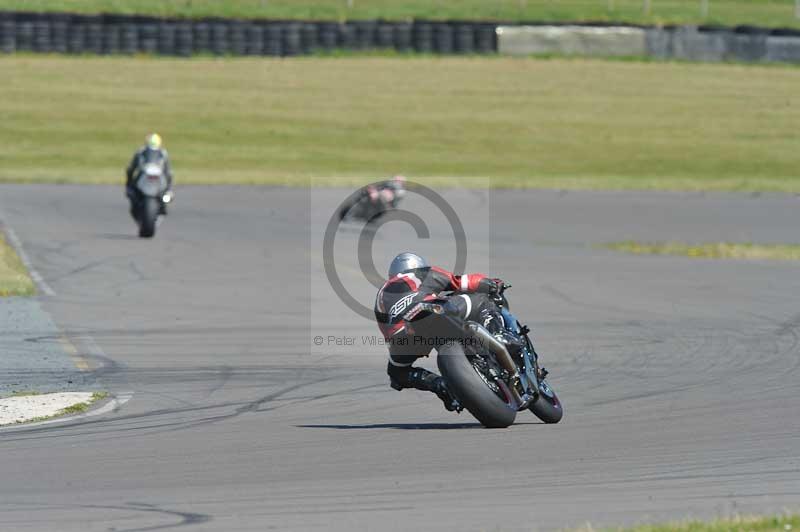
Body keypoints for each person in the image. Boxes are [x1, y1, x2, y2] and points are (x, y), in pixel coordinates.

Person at [374, 252, 517, 412]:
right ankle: (499, 334)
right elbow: (460, 282)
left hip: (403, 336)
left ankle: (440, 386)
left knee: (397, 372)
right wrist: (490, 284)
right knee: (483, 299)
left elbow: (386, 331)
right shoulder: (420, 273)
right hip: (429, 311)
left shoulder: (380, 296)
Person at [125, 133, 173, 215]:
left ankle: (167, 193)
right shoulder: (142, 152)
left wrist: (168, 190)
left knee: (167, 185)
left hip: (158, 181)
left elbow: (168, 172)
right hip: (144, 178)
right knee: (133, 189)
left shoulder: (162, 154)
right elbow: (132, 168)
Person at [339, 175, 407, 221]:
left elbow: (392, 198)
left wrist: (381, 196)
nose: (395, 181)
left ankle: (365, 214)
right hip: (378, 197)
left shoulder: (400, 191)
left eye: (398, 180)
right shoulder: (388, 183)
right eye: (396, 180)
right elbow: (377, 186)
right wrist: (372, 189)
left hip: (385, 204)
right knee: (366, 193)